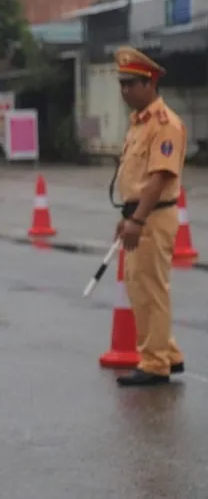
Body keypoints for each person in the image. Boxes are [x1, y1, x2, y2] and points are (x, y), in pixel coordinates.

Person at [111, 46, 186, 387]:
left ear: (150, 83)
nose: (126, 91)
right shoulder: (139, 123)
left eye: (132, 84)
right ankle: (167, 353)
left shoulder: (164, 124)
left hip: (153, 218)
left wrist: (137, 221)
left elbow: (159, 178)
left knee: (149, 291)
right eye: (122, 84)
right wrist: (128, 215)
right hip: (141, 215)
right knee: (141, 287)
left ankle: (154, 363)